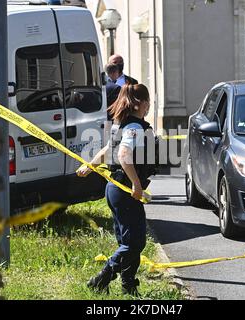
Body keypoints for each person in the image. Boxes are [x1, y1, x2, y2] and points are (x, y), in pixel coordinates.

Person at [77, 84, 155, 296]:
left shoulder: (121, 124)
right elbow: (122, 155)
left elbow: (107, 149)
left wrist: (90, 165)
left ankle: (128, 287)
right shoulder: (135, 127)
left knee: (128, 243)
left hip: (115, 189)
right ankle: (102, 278)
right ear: (141, 103)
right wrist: (137, 185)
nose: (149, 107)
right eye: (148, 102)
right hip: (125, 191)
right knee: (135, 242)